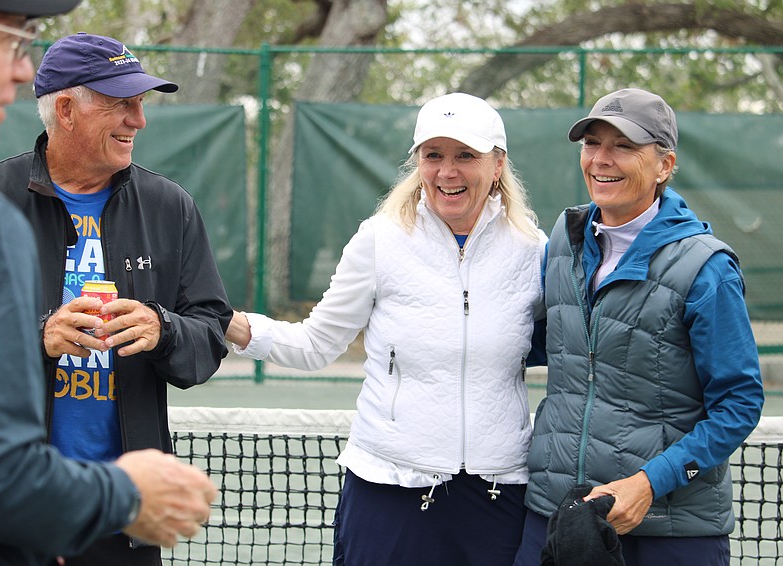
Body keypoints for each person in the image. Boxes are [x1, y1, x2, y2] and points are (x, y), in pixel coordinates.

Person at [0, 2, 217, 566]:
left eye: (141, 104)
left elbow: (207, 339)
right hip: (12, 520)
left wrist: (163, 330)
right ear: (66, 109)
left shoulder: (171, 206)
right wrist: (39, 337)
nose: (140, 120)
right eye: (122, 104)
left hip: (124, 523)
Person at [226, 92, 548, 566]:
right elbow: (316, 345)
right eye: (433, 155)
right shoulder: (379, 240)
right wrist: (227, 324)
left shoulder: (533, 249)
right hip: (388, 489)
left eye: (466, 156)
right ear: (417, 162)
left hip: (498, 494)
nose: (447, 171)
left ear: (497, 164)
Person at [513, 88, 764, 566]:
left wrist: (649, 483)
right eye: (592, 144)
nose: (601, 160)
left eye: (624, 146)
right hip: (557, 515)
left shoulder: (706, 267)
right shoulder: (562, 245)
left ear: (664, 165)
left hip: (671, 531)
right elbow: (540, 347)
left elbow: (739, 402)